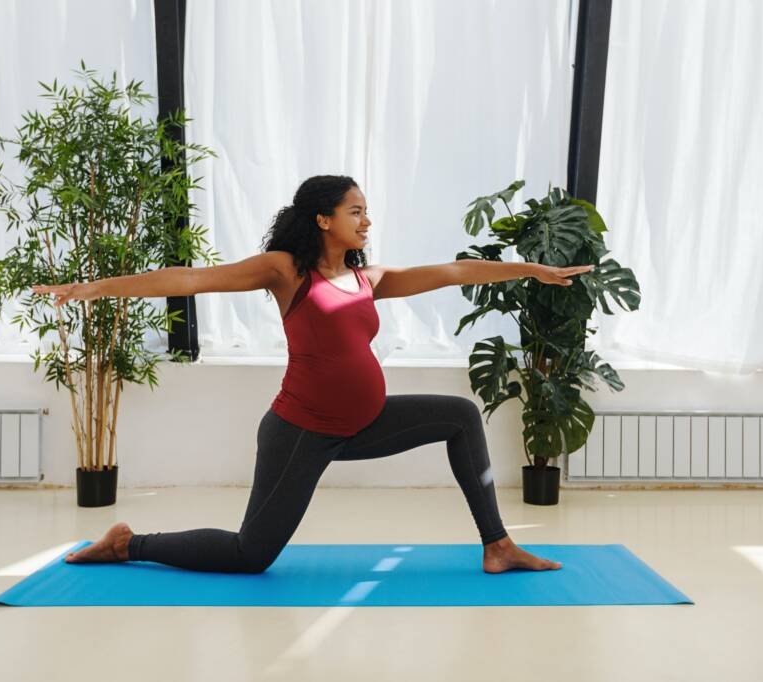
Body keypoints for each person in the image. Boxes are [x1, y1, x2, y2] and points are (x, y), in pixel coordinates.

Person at [32, 175, 593, 574]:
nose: (366, 220)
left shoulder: (366, 278)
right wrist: (92, 290)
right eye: (355, 211)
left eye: (367, 211)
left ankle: (497, 545)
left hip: (363, 423)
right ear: (323, 218)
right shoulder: (286, 271)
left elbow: (450, 271)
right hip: (301, 431)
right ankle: (129, 545)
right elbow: (191, 279)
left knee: (460, 415)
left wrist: (529, 270)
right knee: (249, 555)